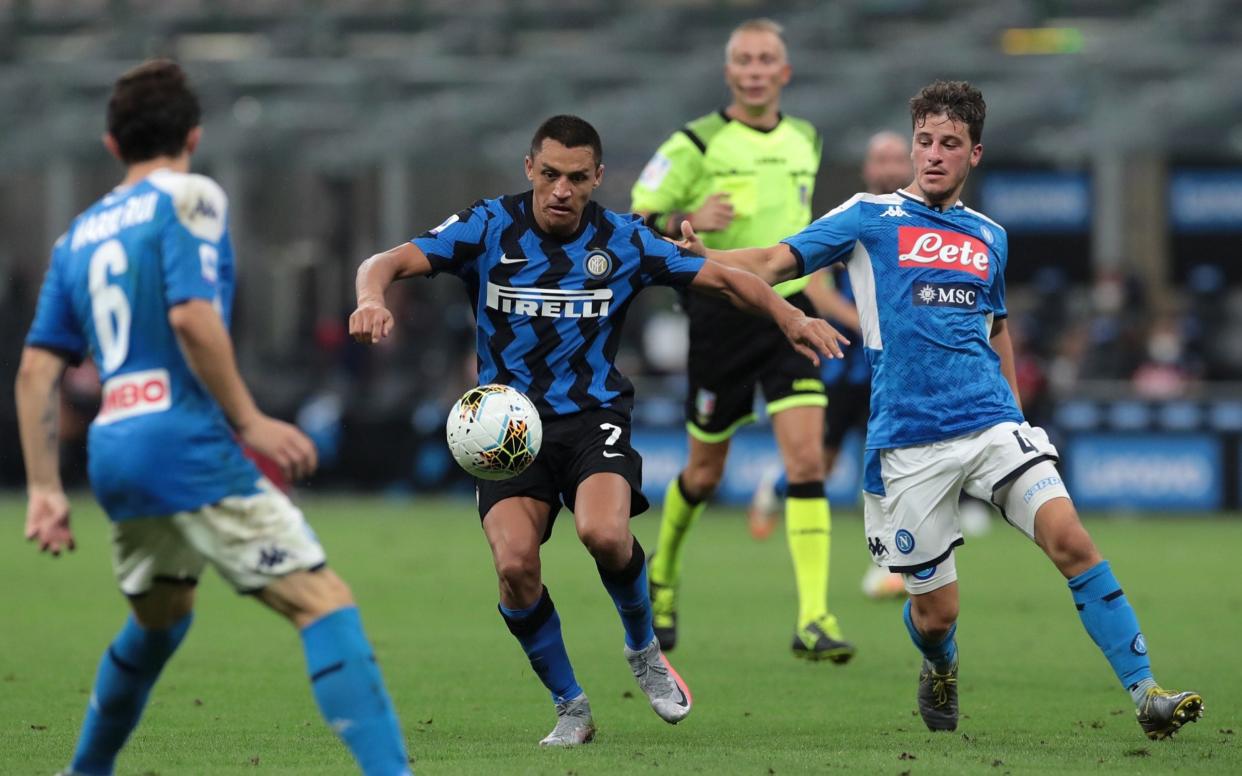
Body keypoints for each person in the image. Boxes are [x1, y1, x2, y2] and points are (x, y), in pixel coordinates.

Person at [671, 80, 1204, 741]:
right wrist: (703, 256)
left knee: (1072, 540)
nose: (932, 154)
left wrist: (1014, 408)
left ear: (973, 154)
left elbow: (998, 326)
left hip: (990, 425)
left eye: (949, 144)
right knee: (935, 615)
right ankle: (940, 665)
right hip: (909, 442)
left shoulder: (990, 237)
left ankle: (1146, 690)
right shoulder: (869, 216)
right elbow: (776, 259)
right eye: (924, 141)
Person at [349, 115, 845, 747]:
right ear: (530, 168)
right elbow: (385, 261)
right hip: (508, 427)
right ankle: (571, 706)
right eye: (550, 174)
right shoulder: (487, 226)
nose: (561, 189)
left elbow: (725, 277)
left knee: (605, 534)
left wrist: (787, 316)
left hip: (592, 417)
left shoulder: (624, 240)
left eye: (577, 178)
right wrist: (371, 298)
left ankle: (643, 650)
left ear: (598, 178)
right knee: (514, 566)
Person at [16, 60, 411, 776]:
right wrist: (251, 421)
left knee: (160, 621)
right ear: (193, 135)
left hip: (114, 448)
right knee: (323, 601)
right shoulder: (191, 195)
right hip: (182, 442)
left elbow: (36, 372)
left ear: (112, 143)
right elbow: (193, 316)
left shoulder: (78, 233)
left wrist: (45, 487)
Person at [629, 17, 853, 662]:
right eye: (744, 60)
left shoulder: (806, 137)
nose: (755, 69)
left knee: (807, 461)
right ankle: (663, 572)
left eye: (766, 59)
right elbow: (636, 219)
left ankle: (814, 616)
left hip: (792, 310)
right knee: (704, 473)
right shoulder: (695, 142)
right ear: (729, 72)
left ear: (784, 72)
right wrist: (682, 220)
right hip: (720, 313)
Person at [749, 131, 912, 602]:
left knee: (890, 459)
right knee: (826, 460)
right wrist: (869, 325)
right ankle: (774, 487)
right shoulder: (850, 218)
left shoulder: (920, 221)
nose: (888, 167)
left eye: (896, 158)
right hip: (846, 365)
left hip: (892, 366)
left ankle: (891, 564)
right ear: (867, 169)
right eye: (879, 159)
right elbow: (817, 291)